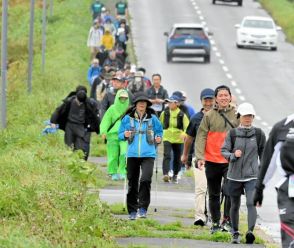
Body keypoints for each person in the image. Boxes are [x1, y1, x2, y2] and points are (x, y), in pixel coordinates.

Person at [195, 85, 239, 234]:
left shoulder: (237, 114)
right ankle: (215, 222)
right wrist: (200, 157)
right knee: (214, 194)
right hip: (212, 159)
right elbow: (201, 136)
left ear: (230, 97)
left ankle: (226, 221)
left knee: (228, 191)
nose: (224, 98)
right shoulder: (209, 115)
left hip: (230, 160)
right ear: (216, 98)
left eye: (226, 95)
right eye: (220, 95)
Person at [221, 103, 266, 244]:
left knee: (250, 203)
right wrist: (233, 155)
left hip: (252, 175)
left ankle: (250, 232)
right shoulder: (232, 133)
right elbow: (224, 151)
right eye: (245, 115)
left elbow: (264, 155)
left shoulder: (259, 134)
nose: (248, 118)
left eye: (250, 116)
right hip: (234, 175)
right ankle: (235, 232)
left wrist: (262, 171)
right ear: (239, 116)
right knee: (234, 204)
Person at [118, 92, 163, 220]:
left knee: (145, 179)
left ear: (147, 105)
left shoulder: (153, 118)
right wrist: (124, 135)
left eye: (144, 102)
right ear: (136, 104)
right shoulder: (128, 118)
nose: (142, 104)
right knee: (132, 182)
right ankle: (132, 210)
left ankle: (143, 208)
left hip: (148, 154)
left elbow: (159, 131)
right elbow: (120, 135)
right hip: (132, 154)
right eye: (139, 102)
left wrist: (158, 138)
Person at [253, 114, 294, 248]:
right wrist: (259, 189)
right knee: (290, 233)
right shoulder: (282, 127)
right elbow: (269, 161)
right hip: (289, 187)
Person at [181, 88, 215, 226]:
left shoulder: (219, 117)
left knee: (214, 190)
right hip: (199, 158)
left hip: (216, 159)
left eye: (210, 100)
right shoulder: (195, 118)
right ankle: (199, 217)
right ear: (201, 101)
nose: (208, 103)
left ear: (215, 100)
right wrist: (185, 156)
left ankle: (214, 216)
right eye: (205, 100)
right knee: (201, 188)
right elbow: (189, 139)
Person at [50, 86, 100, 159]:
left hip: (80, 126)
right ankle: (68, 160)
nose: (79, 103)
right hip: (70, 126)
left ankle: (79, 162)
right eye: (78, 101)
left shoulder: (88, 103)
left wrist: (99, 128)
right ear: (76, 97)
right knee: (69, 145)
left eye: (81, 102)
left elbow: (94, 116)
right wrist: (53, 121)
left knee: (80, 147)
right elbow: (58, 111)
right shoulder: (69, 101)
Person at [100, 90, 130, 180]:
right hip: (112, 135)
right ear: (117, 97)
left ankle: (122, 171)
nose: (123, 99)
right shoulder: (112, 108)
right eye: (121, 98)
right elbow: (106, 120)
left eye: (125, 98)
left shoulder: (129, 109)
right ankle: (113, 172)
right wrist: (103, 132)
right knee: (113, 155)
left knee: (124, 153)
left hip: (125, 135)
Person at [160, 92, 189, 184]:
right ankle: (165, 174)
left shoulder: (182, 114)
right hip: (167, 137)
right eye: (168, 102)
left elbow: (187, 127)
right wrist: (159, 133)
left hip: (178, 138)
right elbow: (159, 124)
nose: (170, 104)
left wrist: (184, 134)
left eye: (172, 102)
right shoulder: (165, 113)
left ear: (177, 103)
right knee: (167, 155)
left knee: (177, 157)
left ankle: (175, 174)